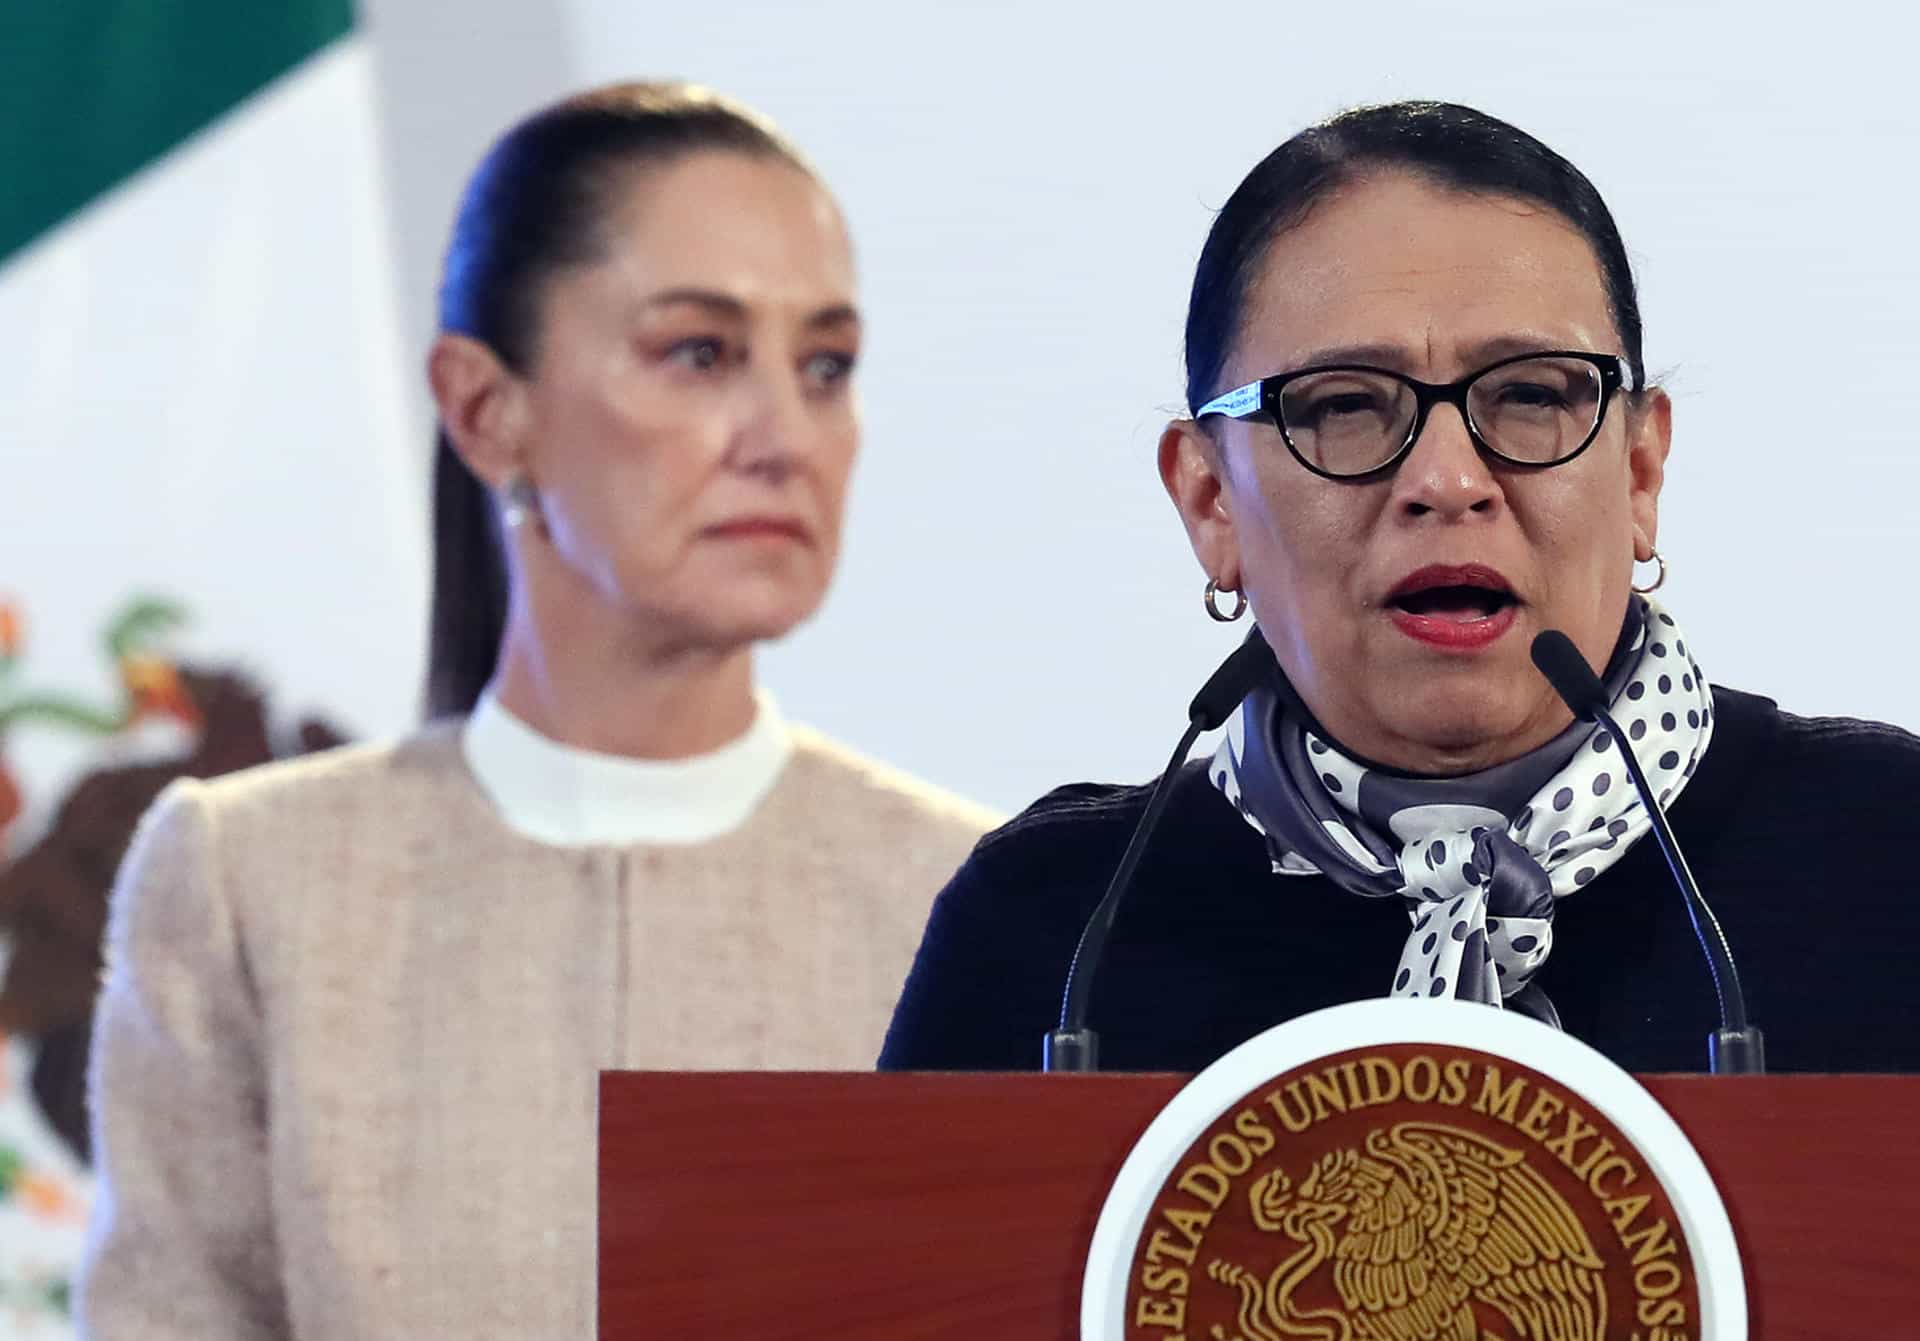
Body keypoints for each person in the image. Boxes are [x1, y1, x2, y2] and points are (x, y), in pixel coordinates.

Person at [80, 82, 997, 1337]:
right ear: (484, 407)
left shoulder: (969, 897)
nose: (787, 434)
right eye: (700, 352)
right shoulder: (254, 885)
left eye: (826, 365)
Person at [881, 101, 1920, 1077]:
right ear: (1211, 503)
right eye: (1344, 407)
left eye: (1528, 395)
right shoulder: (1061, 931)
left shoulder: (1886, 852)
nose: (1448, 481)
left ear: (1641, 471)